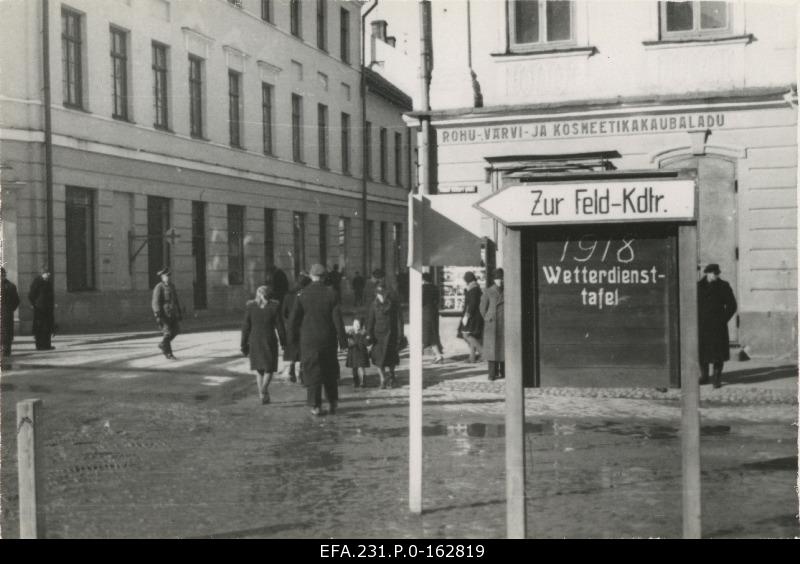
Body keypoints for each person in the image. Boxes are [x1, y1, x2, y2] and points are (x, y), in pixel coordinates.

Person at [289, 263, 347, 416]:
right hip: (328, 338)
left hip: (308, 340)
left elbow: (293, 321)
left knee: (312, 372)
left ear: (310, 276)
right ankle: (333, 402)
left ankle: (315, 405)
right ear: (324, 276)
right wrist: (343, 341)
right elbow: (338, 321)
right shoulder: (332, 293)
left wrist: (292, 342)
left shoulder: (302, 294)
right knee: (329, 371)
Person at [241, 285, 286, 404]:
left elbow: (245, 327)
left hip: (254, 340)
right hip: (269, 339)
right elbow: (280, 327)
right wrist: (284, 342)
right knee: (269, 368)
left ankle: (263, 395)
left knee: (259, 369)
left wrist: (243, 344)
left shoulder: (250, 307)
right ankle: (264, 390)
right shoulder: (274, 307)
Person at [698, 263, 737, 388]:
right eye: (715, 273)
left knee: (718, 354)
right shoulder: (698, 286)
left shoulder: (723, 286)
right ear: (707, 273)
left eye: (718, 273)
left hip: (717, 325)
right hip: (702, 325)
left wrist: (723, 320)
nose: (717, 275)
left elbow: (732, 305)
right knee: (702, 352)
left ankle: (716, 379)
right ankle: (704, 376)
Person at [367, 282, 403, 389]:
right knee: (378, 359)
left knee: (391, 359)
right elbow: (370, 321)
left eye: (382, 293)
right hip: (378, 337)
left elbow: (399, 320)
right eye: (378, 294)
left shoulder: (393, 305)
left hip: (391, 335)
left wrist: (400, 334)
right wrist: (369, 335)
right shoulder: (373, 305)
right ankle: (382, 379)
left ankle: (392, 376)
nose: (380, 295)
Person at [281, 272, 310, 383]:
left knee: (292, 349)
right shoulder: (306, 295)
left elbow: (283, 313)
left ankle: (291, 369)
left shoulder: (288, 296)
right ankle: (300, 373)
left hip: (291, 327)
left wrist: (288, 322)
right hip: (304, 326)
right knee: (303, 349)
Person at [151, 267, 182, 360]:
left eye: (168, 276)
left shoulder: (172, 286)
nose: (167, 277)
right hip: (164, 314)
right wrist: (157, 313)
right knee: (167, 333)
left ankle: (162, 344)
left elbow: (176, 300)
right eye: (165, 276)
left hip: (172, 313)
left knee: (176, 330)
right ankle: (169, 354)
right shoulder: (159, 287)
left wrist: (179, 312)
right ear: (162, 277)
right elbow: (155, 301)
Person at [480, 268, 505, 381]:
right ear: (494, 279)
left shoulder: (505, 290)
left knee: (502, 348)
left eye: (501, 278)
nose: (500, 281)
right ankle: (492, 373)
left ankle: (503, 372)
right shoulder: (488, 291)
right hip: (492, 323)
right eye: (498, 278)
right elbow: (482, 308)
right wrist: (488, 317)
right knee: (492, 349)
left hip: (503, 323)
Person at [28, 265, 55, 351]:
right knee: (39, 327)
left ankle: (47, 344)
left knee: (47, 327)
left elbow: (51, 296)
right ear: (42, 274)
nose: (49, 274)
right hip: (40, 310)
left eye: (49, 272)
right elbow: (31, 295)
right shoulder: (37, 282)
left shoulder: (48, 283)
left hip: (48, 309)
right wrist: (34, 304)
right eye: (47, 272)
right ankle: (39, 345)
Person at [458, 270, 483, 363]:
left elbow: (472, 304)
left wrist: (467, 316)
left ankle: (483, 353)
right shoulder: (474, 288)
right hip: (474, 315)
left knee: (467, 335)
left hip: (471, 316)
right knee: (471, 335)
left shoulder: (473, 289)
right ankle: (472, 357)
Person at [422, 272, 444, 363]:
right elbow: (437, 300)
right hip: (434, 312)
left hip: (425, 312)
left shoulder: (423, 288)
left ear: (423, 279)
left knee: (426, 334)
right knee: (433, 333)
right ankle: (438, 355)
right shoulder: (435, 288)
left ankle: (438, 355)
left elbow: (422, 301)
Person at [346, 318, 370, 389]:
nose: (357, 326)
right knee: (354, 368)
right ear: (353, 325)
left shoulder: (363, 333)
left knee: (361, 367)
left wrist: (367, 339)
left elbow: (367, 343)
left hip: (361, 352)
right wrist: (349, 342)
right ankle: (356, 382)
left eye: (358, 324)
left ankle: (363, 382)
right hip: (353, 352)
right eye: (355, 324)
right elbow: (347, 342)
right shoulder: (350, 333)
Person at [1, 267, 21, 357]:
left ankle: (6, 350)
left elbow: (16, 300)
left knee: (7, 333)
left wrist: (10, 309)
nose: (2, 276)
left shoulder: (11, 286)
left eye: (3, 274)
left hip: (7, 312)